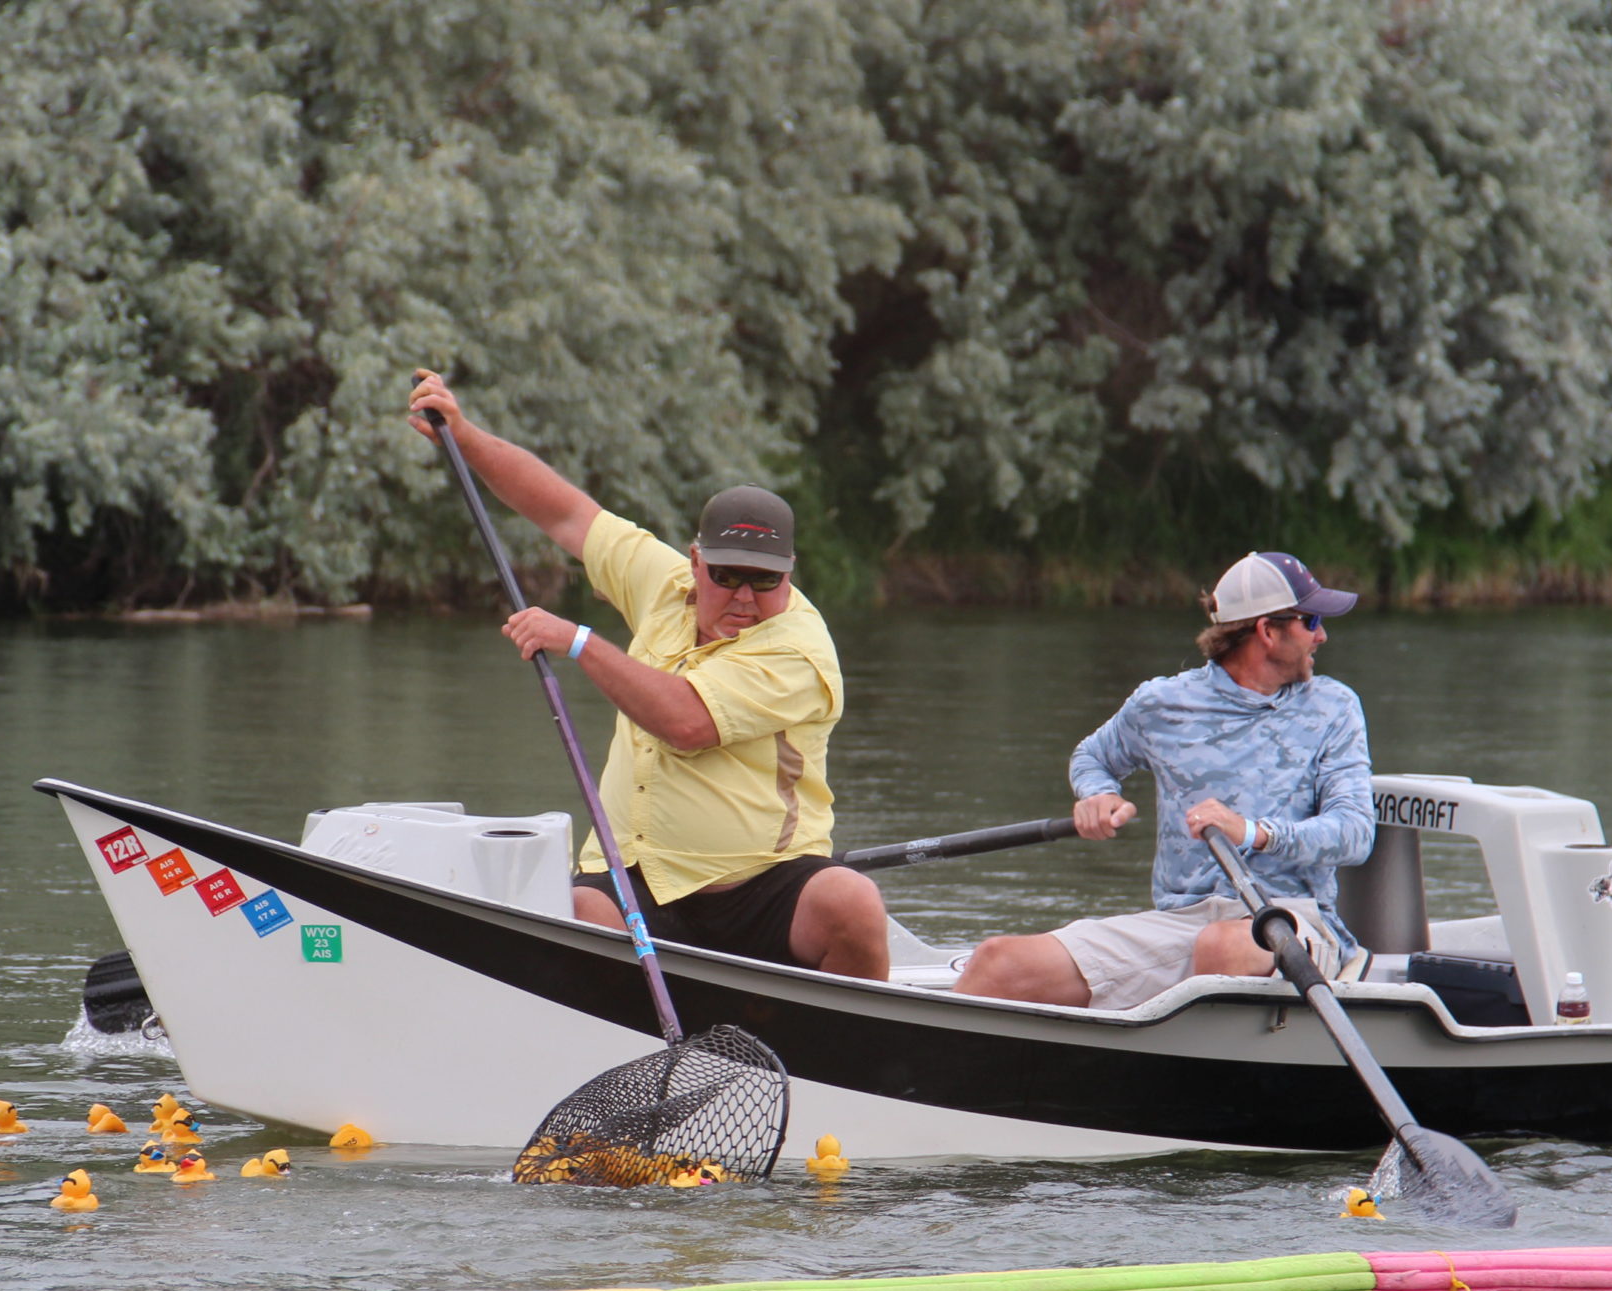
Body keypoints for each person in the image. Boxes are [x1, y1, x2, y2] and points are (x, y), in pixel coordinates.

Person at [405, 370, 889, 979]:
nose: (743, 596)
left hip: (764, 886)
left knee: (853, 901)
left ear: (789, 573)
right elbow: (564, 515)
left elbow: (684, 720)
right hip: (633, 877)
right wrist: (466, 437)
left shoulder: (798, 650)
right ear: (696, 562)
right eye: (727, 575)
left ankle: (853, 1052)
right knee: (577, 911)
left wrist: (579, 641)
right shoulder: (667, 585)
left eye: (764, 579)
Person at [952, 551, 1373, 1008]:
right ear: (1268, 631)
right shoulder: (1162, 703)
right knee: (997, 962)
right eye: (1311, 621)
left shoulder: (1334, 707)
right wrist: (1098, 794)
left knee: (1222, 947)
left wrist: (1252, 832)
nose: (1323, 635)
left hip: (1293, 920)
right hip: (1181, 923)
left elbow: (1354, 834)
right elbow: (1093, 757)